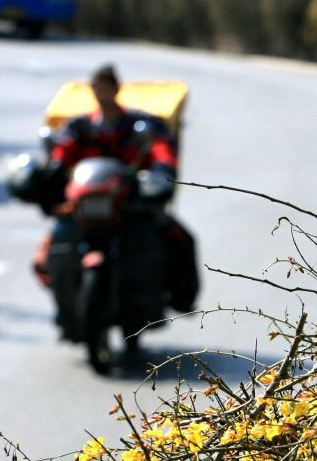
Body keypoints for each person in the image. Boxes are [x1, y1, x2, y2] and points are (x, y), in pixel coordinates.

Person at [31, 64, 198, 336]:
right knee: (48, 251)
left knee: (181, 240)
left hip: (130, 205)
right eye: (98, 88)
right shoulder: (79, 126)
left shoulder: (140, 123)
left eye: (107, 87)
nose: (103, 93)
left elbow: (161, 150)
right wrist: (48, 175)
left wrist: (162, 172)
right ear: (92, 91)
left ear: (116, 90)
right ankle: (67, 309)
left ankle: (181, 298)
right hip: (85, 206)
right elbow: (61, 154)